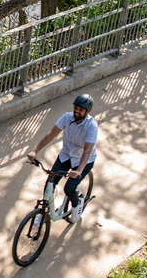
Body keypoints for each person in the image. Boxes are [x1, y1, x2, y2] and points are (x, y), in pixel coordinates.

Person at [25, 94, 98, 222]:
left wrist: (79, 171)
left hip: (83, 161)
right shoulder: (66, 117)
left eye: (81, 110)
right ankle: (43, 213)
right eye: (76, 108)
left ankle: (77, 205)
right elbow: (50, 135)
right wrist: (35, 151)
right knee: (50, 183)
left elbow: (87, 152)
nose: (77, 111)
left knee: (69, 189)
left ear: (87, 111)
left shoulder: (91, 126)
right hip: (66, 155)